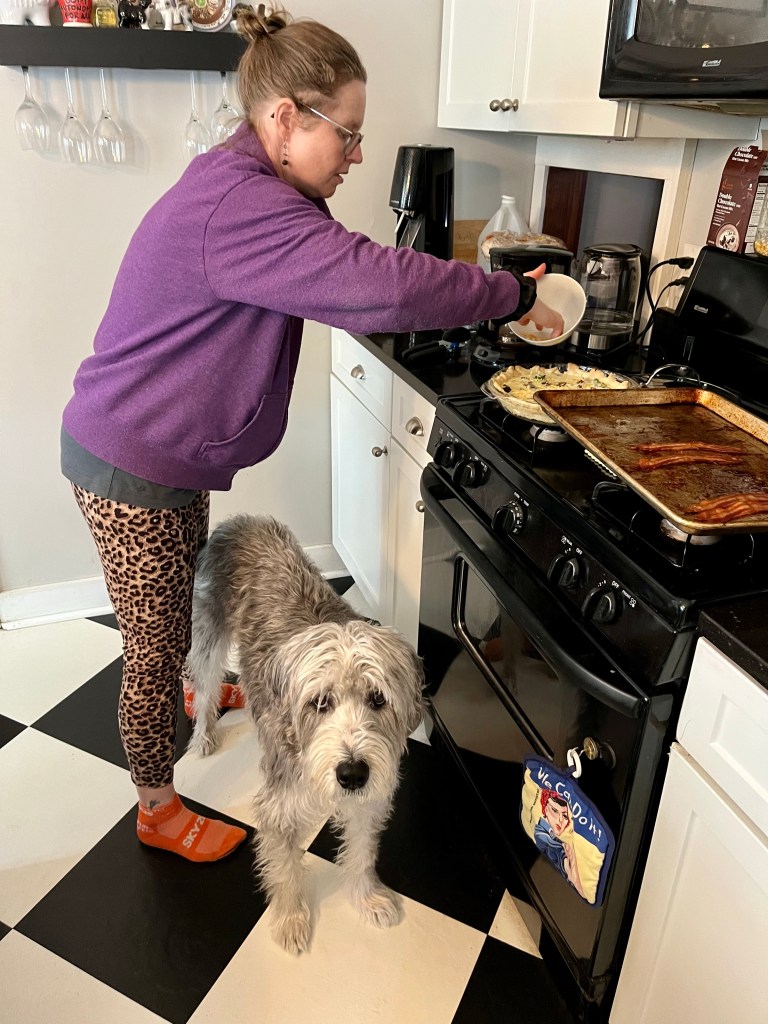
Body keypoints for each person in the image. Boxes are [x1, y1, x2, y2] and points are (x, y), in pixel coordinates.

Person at [60, 5, 564, 863]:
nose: (357, 154)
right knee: (151, 645)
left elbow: (351, 278)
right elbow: (381, 285)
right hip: (128, 461)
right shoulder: (244, 206)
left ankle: (194, 693)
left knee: (173, 612)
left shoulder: (250, 184)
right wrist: (511, 294)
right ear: (286, 117)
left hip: (158, 452)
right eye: (349, 133)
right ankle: (155, 804)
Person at [534, 789, 584, 898]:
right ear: (545, 809)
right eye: (555, 811)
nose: (561, 819)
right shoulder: (541, 835)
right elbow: (558, 853)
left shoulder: (558, 837)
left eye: (565, 816)